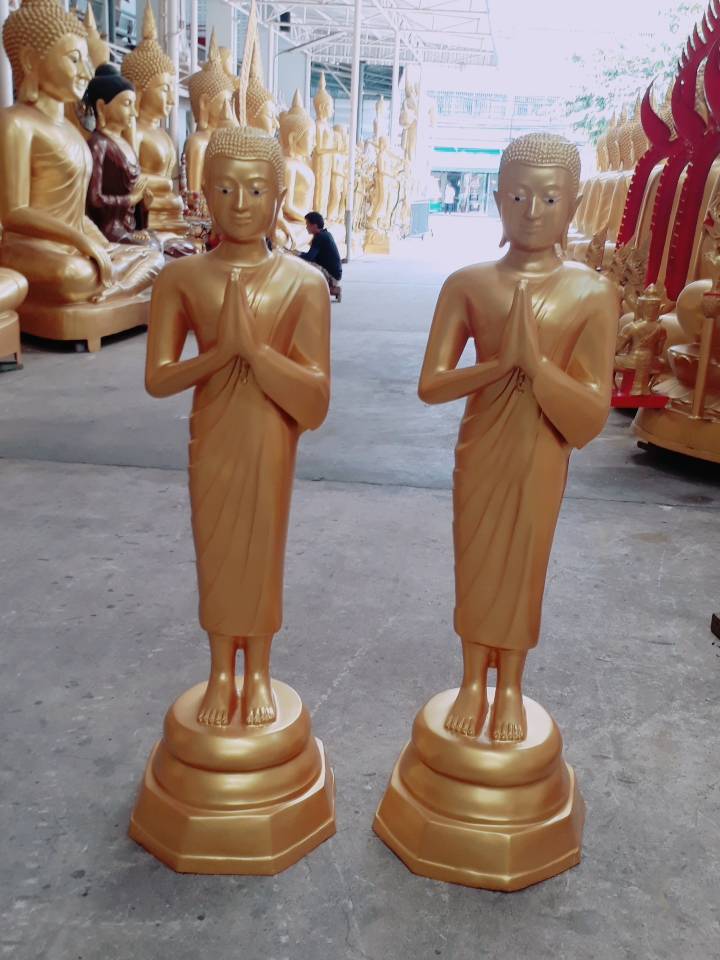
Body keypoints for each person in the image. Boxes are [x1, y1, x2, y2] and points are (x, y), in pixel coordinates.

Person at [418, 133, 618, 741]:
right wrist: (498, 367)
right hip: (481, 449)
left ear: (574, 205)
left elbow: (591, 414)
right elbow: (432, 384)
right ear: (498, 199)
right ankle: (471, 680)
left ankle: (509, 686)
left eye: (550, 199)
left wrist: (537, 369)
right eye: (519, 196)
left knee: (525, 567)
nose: (533, 212)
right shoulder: (468, 284)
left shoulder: (593, 293)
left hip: (540, 454)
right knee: (476, 563)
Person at [299, 211, 342, 301]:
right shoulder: (325, 234)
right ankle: (330, 287)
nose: (306, 227)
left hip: (332, 275)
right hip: (335, 273)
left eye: (308, 224)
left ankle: (329, 287)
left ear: (314, 225)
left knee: (301, 264)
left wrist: (296, 255)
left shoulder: (319, 237)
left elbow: (309, 257)